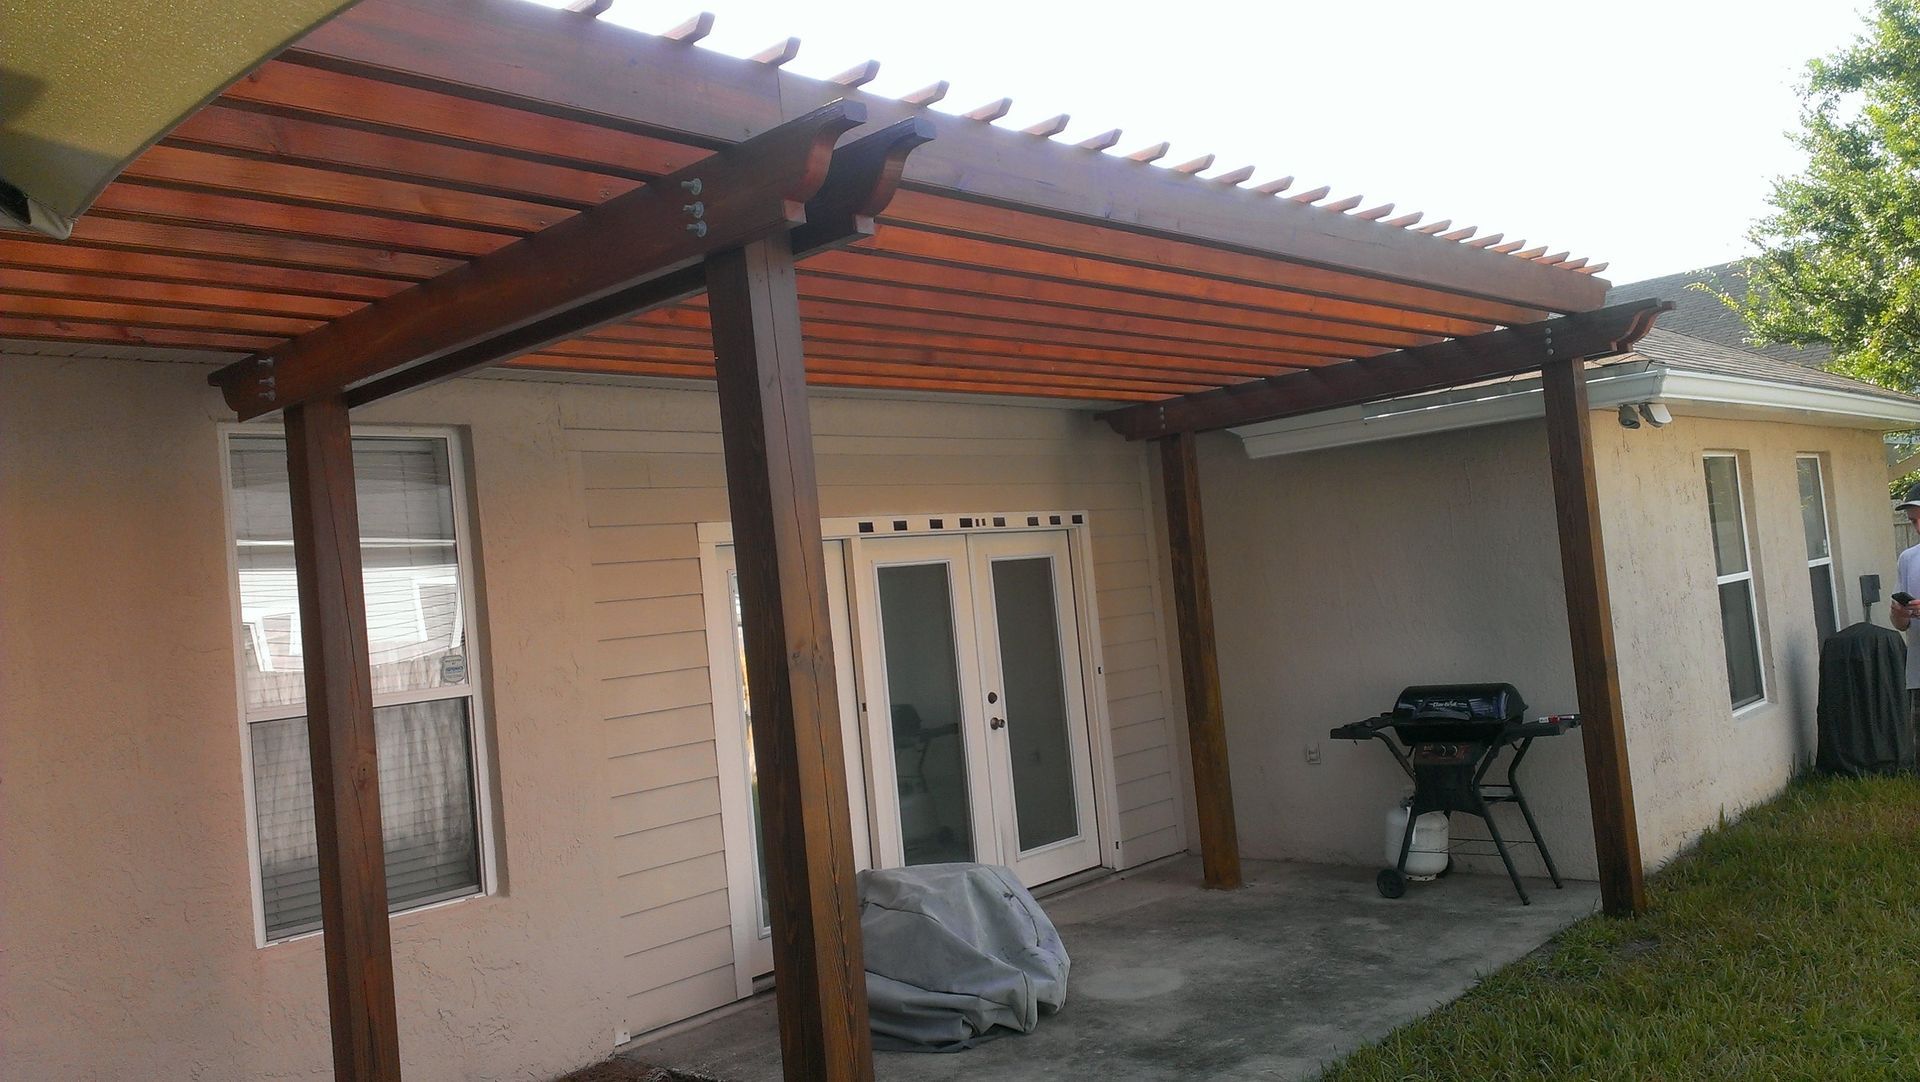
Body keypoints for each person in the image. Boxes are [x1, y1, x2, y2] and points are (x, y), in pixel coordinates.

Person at [1889, 484, 1920, 740]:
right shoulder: (1908, 559)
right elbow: (1900, 624)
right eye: (1913, 521)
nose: (1918, 527)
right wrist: (1900, 615)